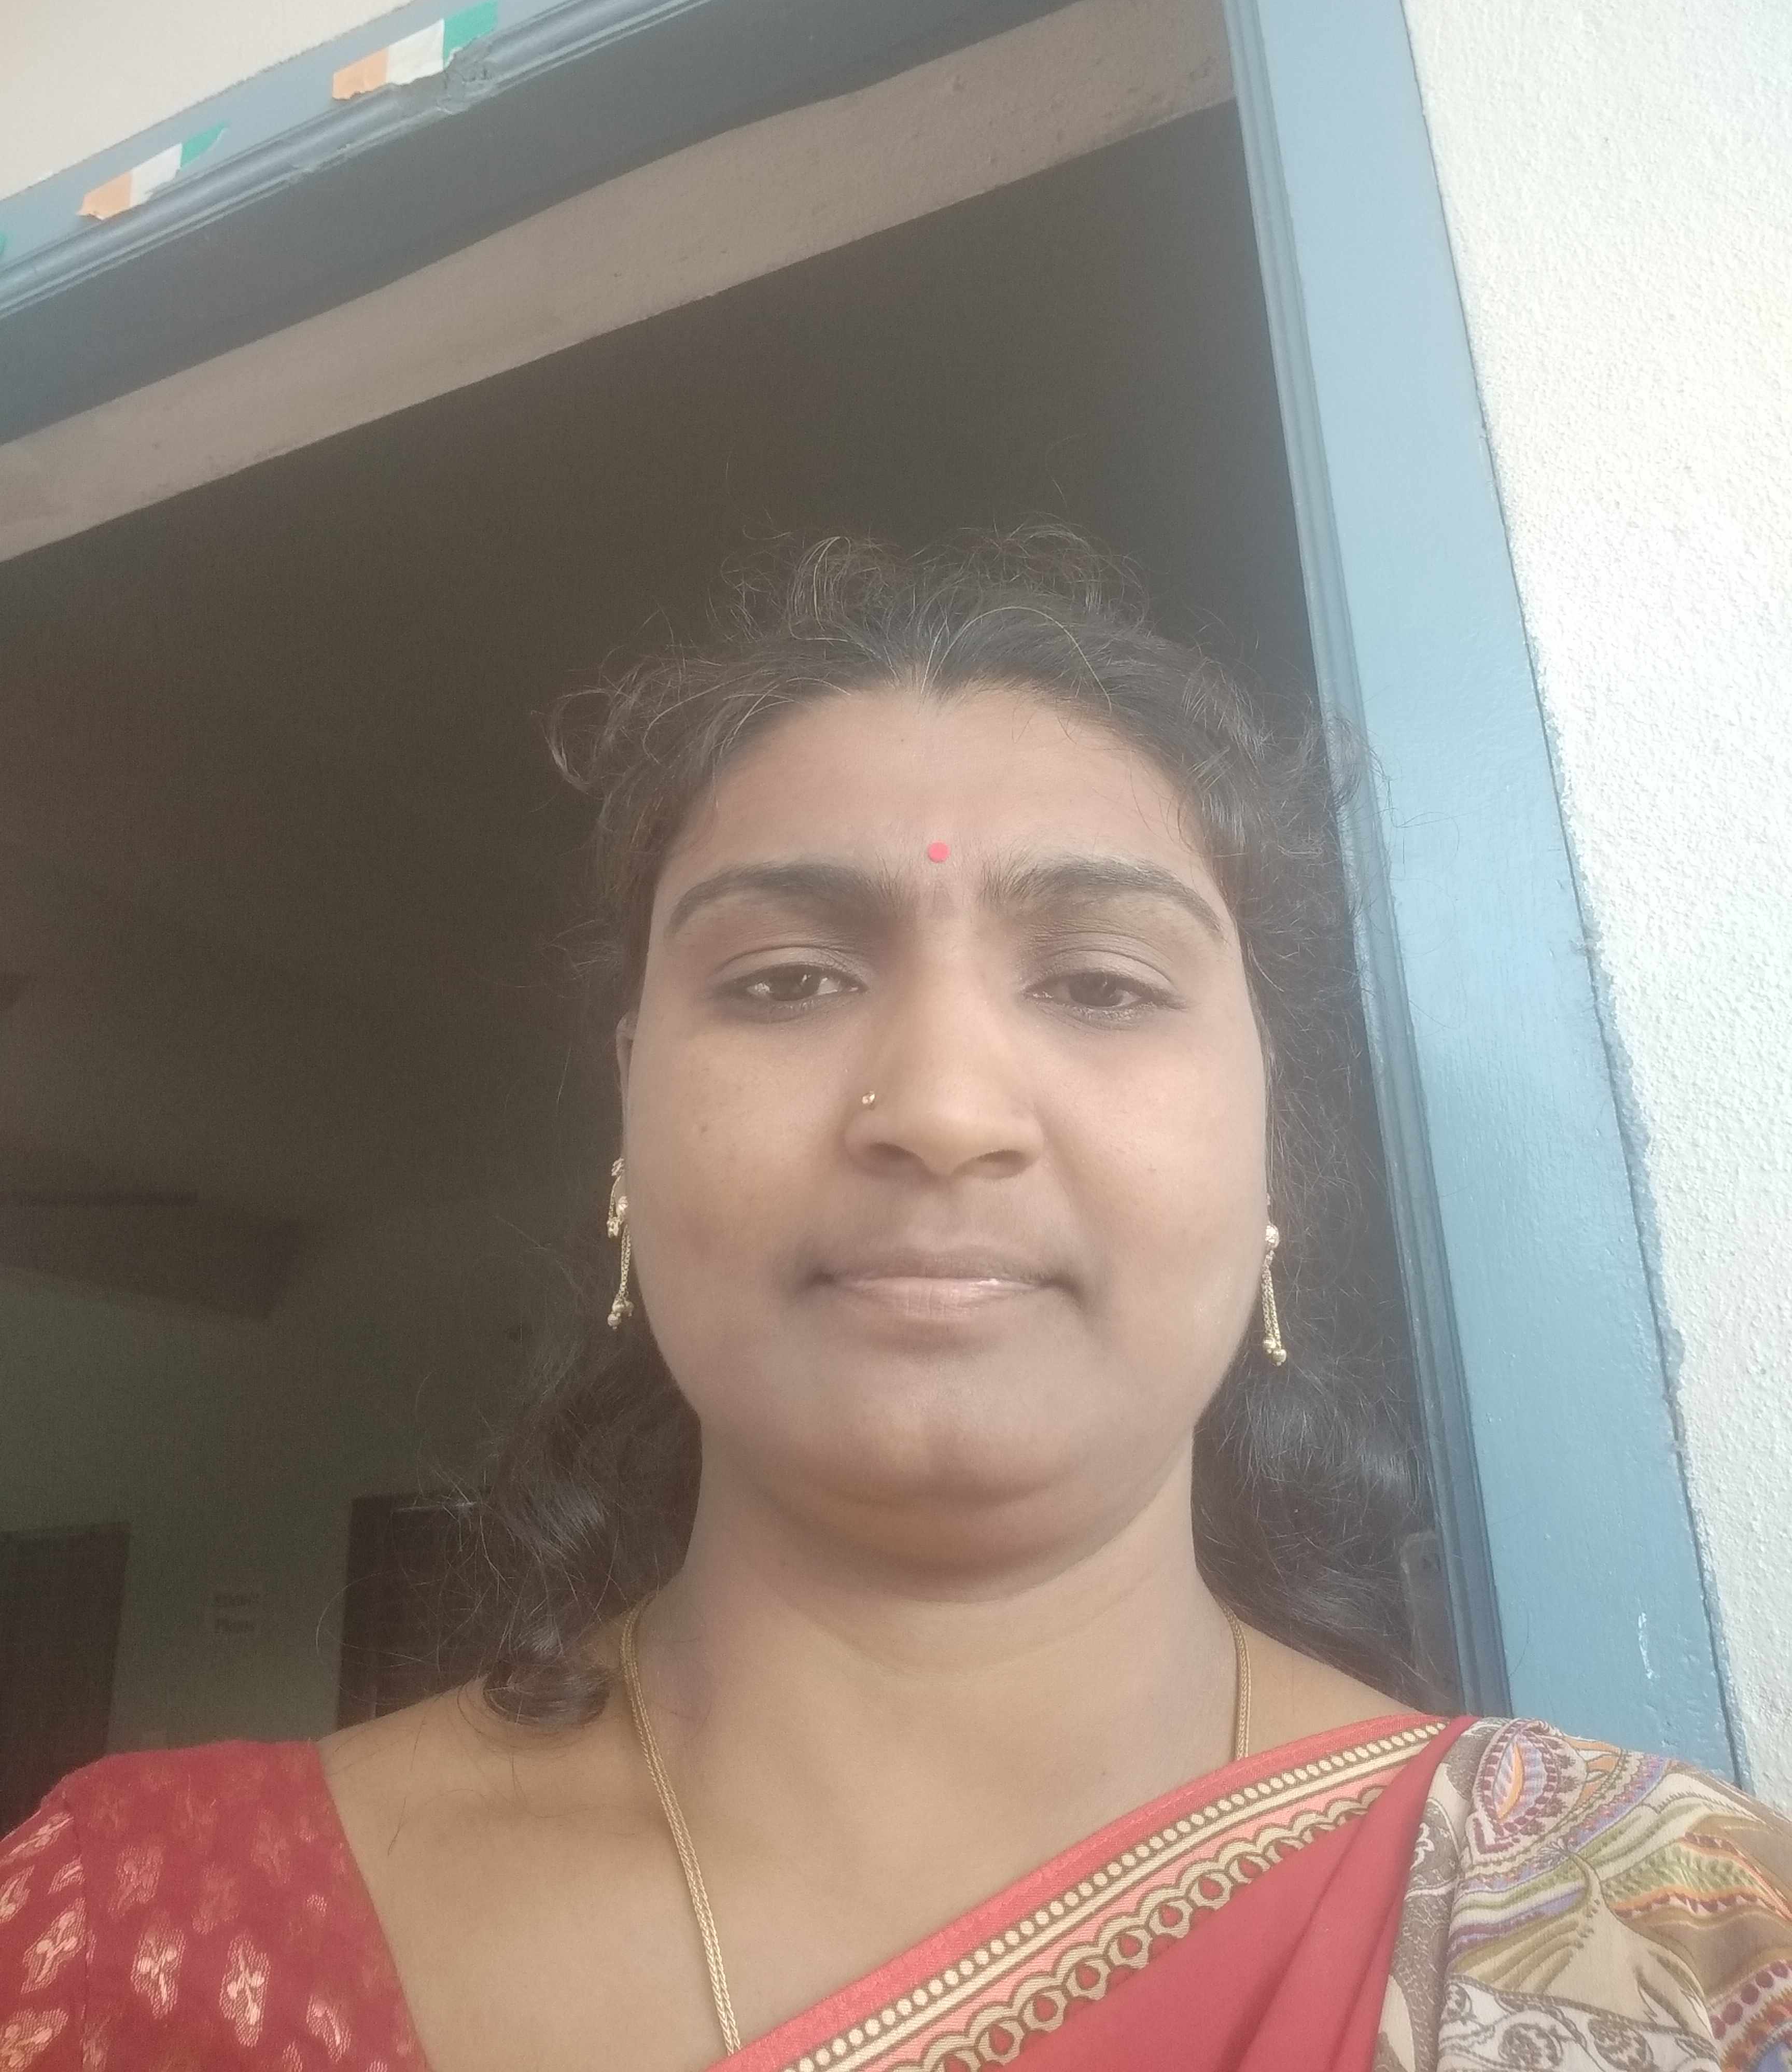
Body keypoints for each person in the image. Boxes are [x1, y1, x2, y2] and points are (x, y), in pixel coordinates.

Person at [3, 533, 1787, 2072]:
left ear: (1273, 1166)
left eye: (1102, 984)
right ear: (629, 1125)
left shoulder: (1663, 1941)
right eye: (785, 980)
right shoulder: (133, 1949)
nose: (938, 1109)